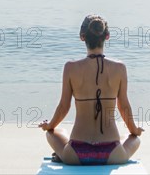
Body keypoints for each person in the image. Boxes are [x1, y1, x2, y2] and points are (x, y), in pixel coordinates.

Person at [39, 14, 144, 165]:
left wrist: (49, 125)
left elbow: (64, 107)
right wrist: (135, 130)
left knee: (53, 133)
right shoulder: (119, 68)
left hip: (75, 154)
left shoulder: (70, 68)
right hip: (112, 154)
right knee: (134, 139)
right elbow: (124, 107)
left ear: (82, 37)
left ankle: (61, 155)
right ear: (107, 36)